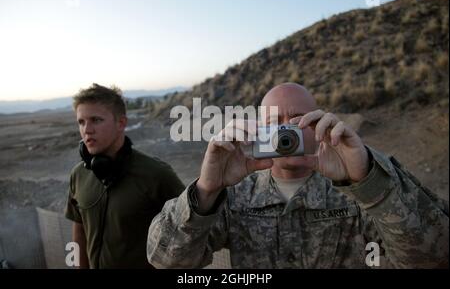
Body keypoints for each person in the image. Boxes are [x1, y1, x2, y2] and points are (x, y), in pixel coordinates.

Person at [147, 83, 449, 269]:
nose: (284, 131)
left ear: (320, 123)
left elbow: (432, 258)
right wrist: (206, 190)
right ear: (257, 130)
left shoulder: (355, 191)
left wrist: (370, 181)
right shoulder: (236, 194)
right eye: (273, 122)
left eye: (296, 120)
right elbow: (167, 261)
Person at [65, 83, 185, 269]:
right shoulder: (78, 174)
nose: (87, 130)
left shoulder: (157, 174)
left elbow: (189, 232)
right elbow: (79, 230)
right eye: (81, 122)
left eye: (96, 120)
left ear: (121, 123)